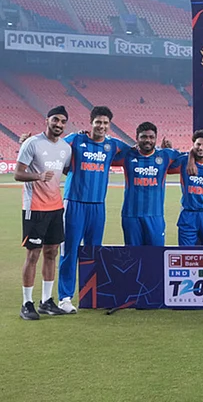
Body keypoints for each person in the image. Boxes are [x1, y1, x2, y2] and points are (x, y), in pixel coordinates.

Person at [58, 106, 130, 313]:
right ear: (91, 123)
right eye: (98, 122)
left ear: (110, 125)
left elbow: (137, 151)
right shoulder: (76, 140)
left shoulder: (113, 145)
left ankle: (90, 296)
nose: (102, 126)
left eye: (106, 123)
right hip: (74, 203)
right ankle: (65, 297)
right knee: (70, 251)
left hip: (98, 206)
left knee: (93, 251)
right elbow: (55, 149)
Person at [15, 106, 72, 320]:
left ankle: (46, 301)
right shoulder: (32, 143)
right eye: (55, 120)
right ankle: (26, 303)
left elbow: (66, 170)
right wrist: (38, 176)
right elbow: (18, 174)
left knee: (51, 253)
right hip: (35, 208)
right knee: (33, 255)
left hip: (56, 207)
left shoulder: (66, 148)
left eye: (63, 121)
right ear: (47, 120)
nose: (59, 124)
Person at [120, 122, 181, 246]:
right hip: (131, 215)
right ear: (137, 138)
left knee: (155, 256)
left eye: (151, 137)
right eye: (144, 137)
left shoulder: (165, 155)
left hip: (155, 216)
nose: (148, 140)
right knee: (133, 256)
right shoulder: (127, 155)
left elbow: (190, 157)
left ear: (156, 139)